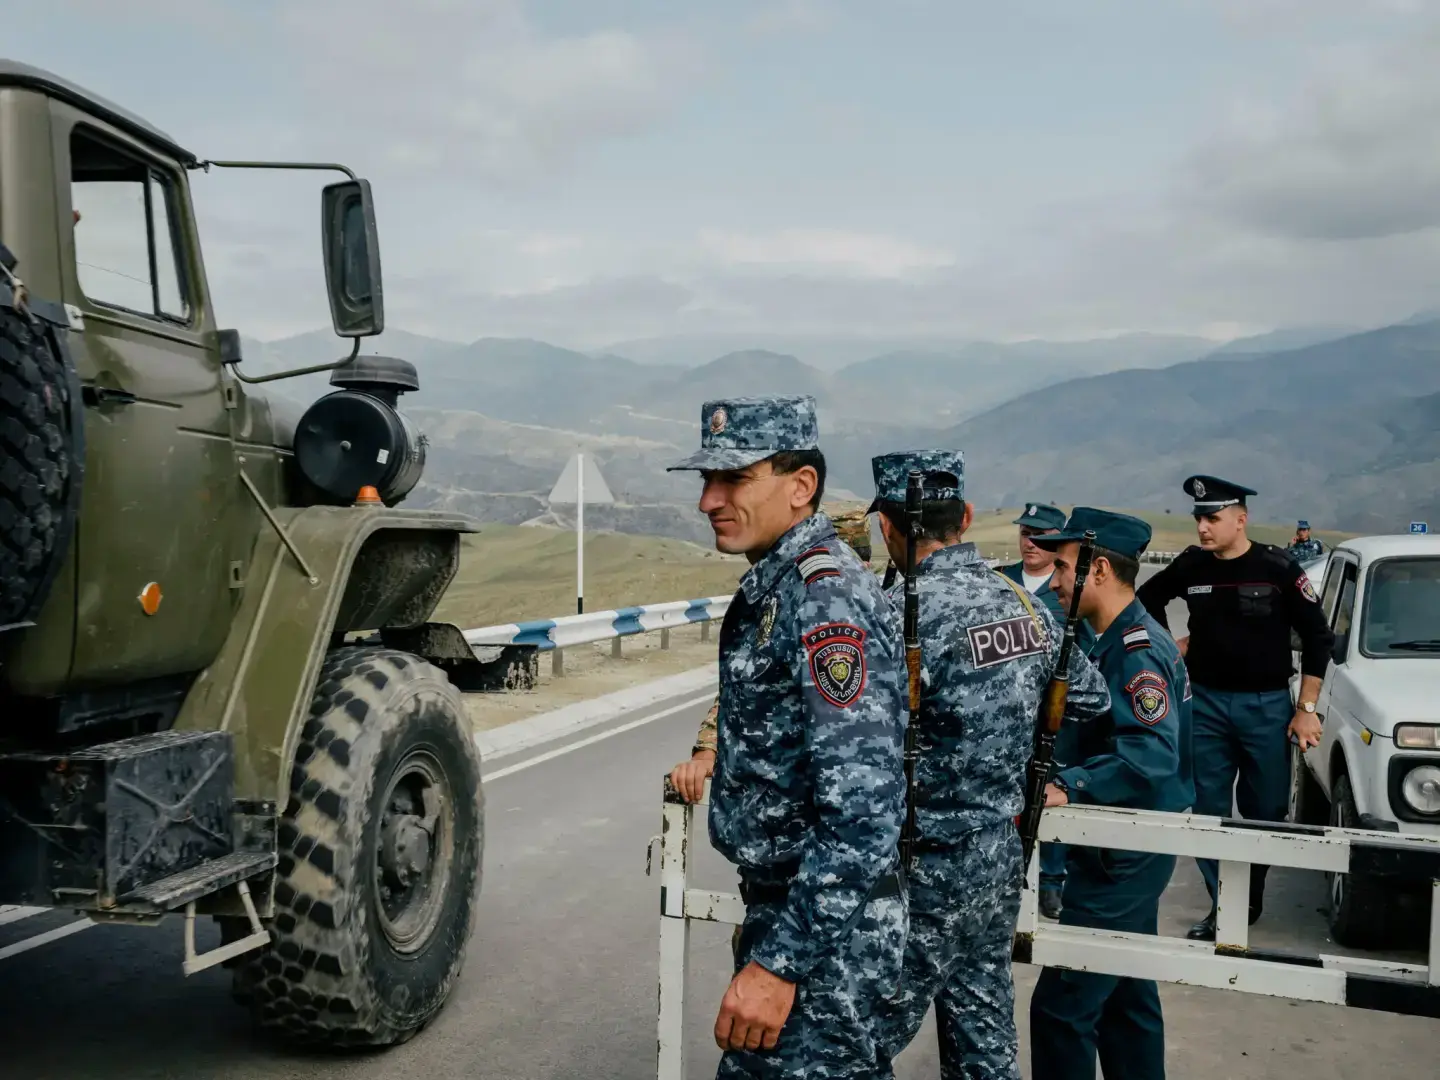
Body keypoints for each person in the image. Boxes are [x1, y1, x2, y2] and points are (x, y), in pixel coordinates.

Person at [666, 394, 910, 1079]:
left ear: (801, 486)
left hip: (826, 934)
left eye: (734, 479)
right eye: (706, 481)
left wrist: (780, 964)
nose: (708, 501)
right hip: (794, 911)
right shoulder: (780, 588)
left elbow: (864, 813)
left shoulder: (824, 597)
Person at [862, 452, 1110, 1080]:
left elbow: (855, 745)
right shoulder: (1023, 606)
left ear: (889, 528)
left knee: (854, 1042)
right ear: (966, 517)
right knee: (983, 1038)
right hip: (1000, 856)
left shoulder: (898, 619)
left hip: (922, 869)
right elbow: (1088, 697)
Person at [1027, 507, 1195, 1080]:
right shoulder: (1113, 640)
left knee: (1061, 1008)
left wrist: (1070, 786)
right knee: (1126, 1001)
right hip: (1122, 845)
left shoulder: (1136, 651)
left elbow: (1150, 754)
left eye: (1064, 569)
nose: (1054, 581)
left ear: (1098, 570)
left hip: (1123, 853)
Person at [1136, 476, 1334, 942]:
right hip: (1203, 704)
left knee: (1264, 809)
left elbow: (1318, 638)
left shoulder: (1278, 568)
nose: (1203, 527)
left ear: (1240, 519)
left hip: (1265, 707)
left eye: (1212, 518)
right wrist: (1171, 645)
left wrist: (1307, 708)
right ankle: (1225, 900)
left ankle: (1251, 886)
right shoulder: (1191, 566)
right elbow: (1148, 597)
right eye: (1199, 519)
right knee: (1205, 808)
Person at [996, 501, 1095, 919]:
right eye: (1024, 533)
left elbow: (1086, 649)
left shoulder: (1069, 588)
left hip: (1054, 716)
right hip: (1009, 716)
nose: (1029, 542)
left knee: (1050, 792)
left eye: (1039, 535)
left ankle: (1051, 882)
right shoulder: (999, 582)